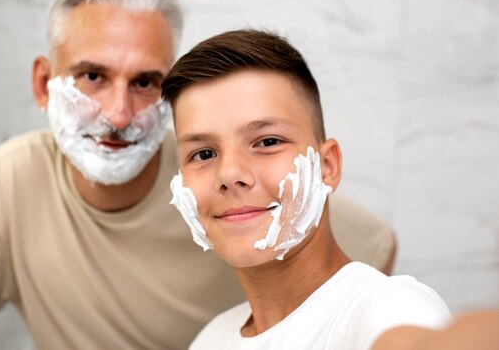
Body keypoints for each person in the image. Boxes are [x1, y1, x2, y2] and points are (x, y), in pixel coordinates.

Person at [0, 0, 396, 350]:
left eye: (146, 83)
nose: (119, 114)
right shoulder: (10, 182)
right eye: (92, 77)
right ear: (44, 84)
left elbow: (372, 258)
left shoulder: (211, 178)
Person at [161, 29, 498, 350]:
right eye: (203, 153)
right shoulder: (211, 339)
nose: (230, 173)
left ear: (328, 167)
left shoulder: (385, 306)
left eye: (267, 142)